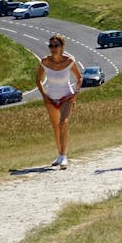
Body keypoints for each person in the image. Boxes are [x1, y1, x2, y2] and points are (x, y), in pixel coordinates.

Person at [36, 34, 83, 169]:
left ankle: (64, 156)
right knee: (56, 127)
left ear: (62, 47)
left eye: (56, 45)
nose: (53, 48)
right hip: (51, 98)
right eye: (51, 46)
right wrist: (45, 97)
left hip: (66, 97)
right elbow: (38, 79)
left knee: (63, 123)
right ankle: (59, 154)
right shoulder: (45, 62)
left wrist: (75, 94)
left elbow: (79, 78)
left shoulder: (69, 61)